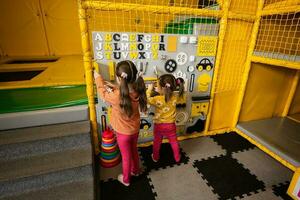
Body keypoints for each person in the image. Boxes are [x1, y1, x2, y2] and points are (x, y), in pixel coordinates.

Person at [94, 60, 147, 186]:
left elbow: (102, 92)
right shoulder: (138, 90)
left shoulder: (116, 96)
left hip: (123, 134)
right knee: (134, 150)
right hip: (134, 130)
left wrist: (98, 78)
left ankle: (126, 180)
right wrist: (114, 87)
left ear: (119, 78)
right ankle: (136, 170)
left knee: (126, 156)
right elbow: (125, 91)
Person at [147, 74, 184, 163]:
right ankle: (177, 157)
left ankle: (155, 157)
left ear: (163, 88)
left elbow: (147, 98)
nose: (156, 87)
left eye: (157, 86)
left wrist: (149, 89)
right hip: (171, 125)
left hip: (159, 125)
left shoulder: (157, 99)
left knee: (157, 142)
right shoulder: (175, 97)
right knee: (174, 142)